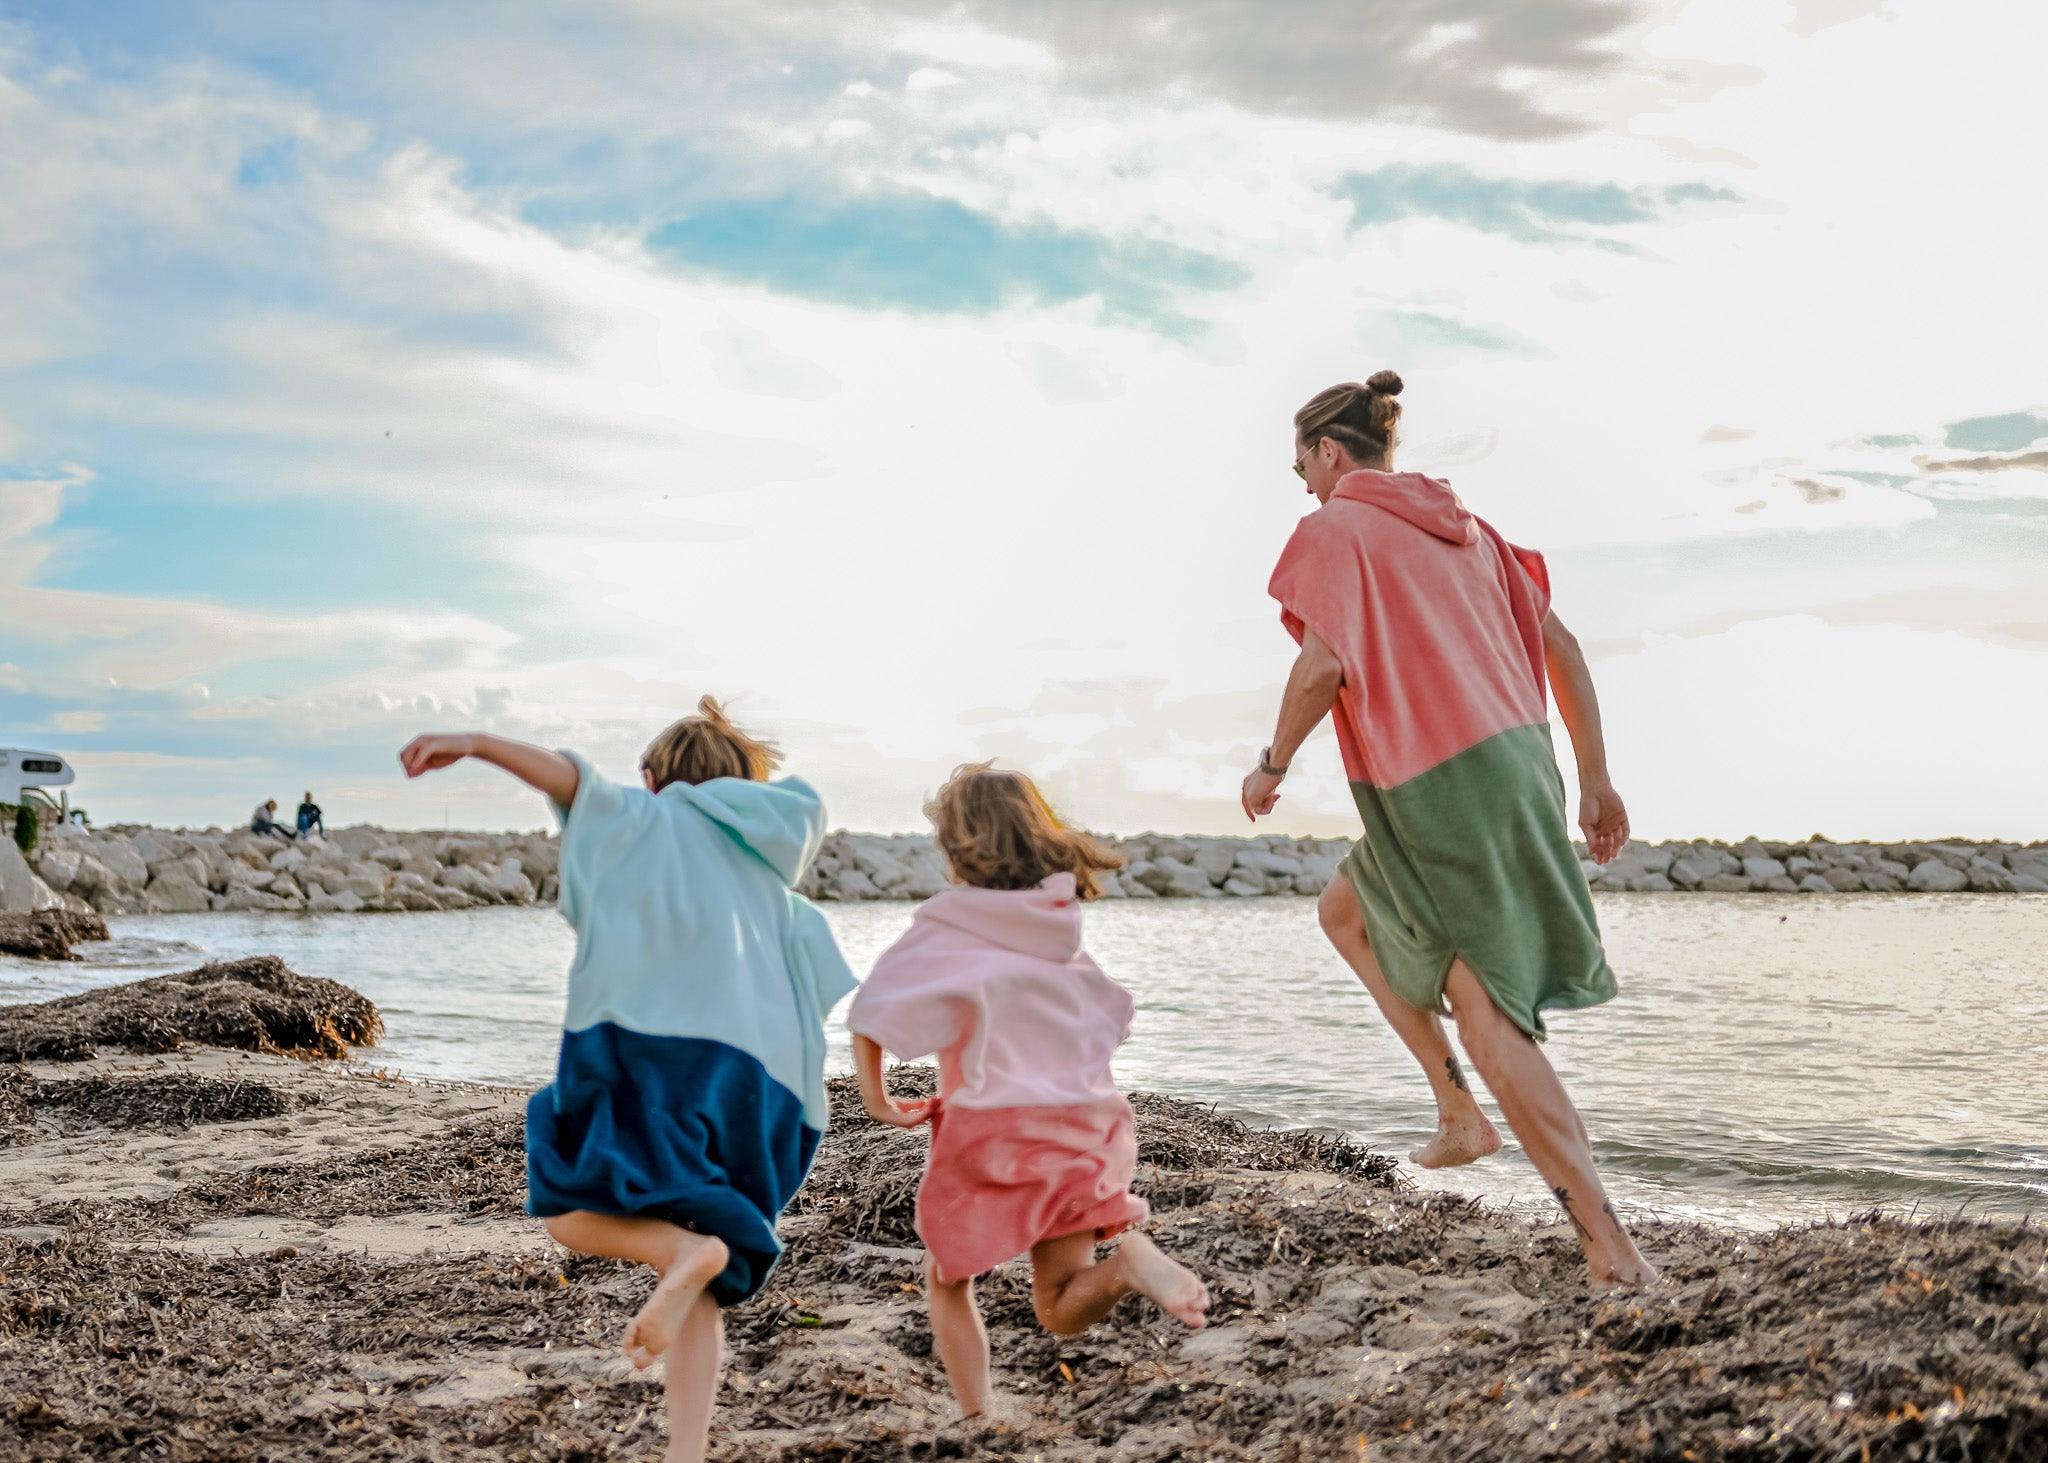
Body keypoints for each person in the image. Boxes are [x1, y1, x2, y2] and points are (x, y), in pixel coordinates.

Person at [1245, 371, 1657, 1287]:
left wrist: (1270, 765)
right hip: (1515, 773)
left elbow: (1323, 665)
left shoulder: (1334, 529)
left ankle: (1611, 1249)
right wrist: (1593, 780)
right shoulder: (1476, 532)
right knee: (1344, 911)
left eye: (1301, 464)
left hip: (1442, 792)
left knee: (1490, 1016)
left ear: (1328, 450)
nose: (1303, 484)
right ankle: (1457, 1112)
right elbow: (1567, 650)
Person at [398, 697, 857, 1462]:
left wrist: (475, 740)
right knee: (704, 1249)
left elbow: (571, 779)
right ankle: (686, 1448)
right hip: (762, 1095)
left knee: (567, 1204)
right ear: (748, 786)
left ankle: (678, 1256)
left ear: (652, 779)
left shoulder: (645, 821)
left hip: (652, 1059)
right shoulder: (777, 884)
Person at [849, 762, 1211, 1420]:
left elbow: (874, 1011)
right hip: (1083, 1126)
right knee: (1061, 1304)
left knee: (949, 1278)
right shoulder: (1058, 924)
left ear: (957, 851)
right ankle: (1130, 1260)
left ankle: (977, 1414)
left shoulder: (948, 924)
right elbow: (1111, 1017)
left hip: (994, 1135)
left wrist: (877, 1100)